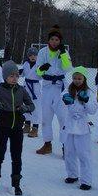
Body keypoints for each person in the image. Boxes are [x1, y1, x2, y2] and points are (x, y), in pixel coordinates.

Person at [0, 60, 35, 196]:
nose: (14, 78)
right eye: (11, 76)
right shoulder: (0, 90)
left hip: (17, 127)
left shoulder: (21, 90)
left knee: (16, 156)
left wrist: (25, 108)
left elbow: (32, 105)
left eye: (17, 76)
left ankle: (16, 184)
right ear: (5, 76)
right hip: (3, 127)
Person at [35, 25, 73, 155]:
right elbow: (38, 72)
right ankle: (47, 144)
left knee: (63, 117)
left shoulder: (63, 52)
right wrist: (43, 68)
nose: (54, 42)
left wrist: (62, 54)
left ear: (60, 41)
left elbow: (68, 68)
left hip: (59, 87)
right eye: (52, 39)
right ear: (48, 40)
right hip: (46, 86)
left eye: (57, 40)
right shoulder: (42, 52)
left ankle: (65, 145)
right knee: (46, 117)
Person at [62, 67, 97, 191]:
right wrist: (65, 101)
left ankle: (86, 180)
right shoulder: (68, 89)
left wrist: (86, 101)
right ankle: (72, 174)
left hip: (82, 127)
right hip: (70, 125)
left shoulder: (89, 92)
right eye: (75, 78)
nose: (77, 80)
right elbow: (62, 102)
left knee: (84, 154)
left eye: (79, 78)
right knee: (69, 152)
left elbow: (93, 109)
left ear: (84, 79)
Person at [20, 47, 41, 137]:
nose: (33, 57)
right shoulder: (25, 63)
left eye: (35, 55)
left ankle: (35, 128)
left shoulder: (39, 64)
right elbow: (23, 74)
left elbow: (41, 75)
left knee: (35, 107)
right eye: (31, 55)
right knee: (26, 105)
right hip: (26, 85)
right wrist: (19, 72)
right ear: (28, 56)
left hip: (35, 87)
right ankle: (27, 125)